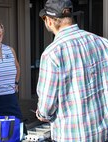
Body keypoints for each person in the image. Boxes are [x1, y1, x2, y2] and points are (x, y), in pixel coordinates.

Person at [36, 0, 108, 141]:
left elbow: (46, 106)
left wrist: (42, 114)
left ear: (49, 21)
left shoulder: (52, 54)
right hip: (103, 133)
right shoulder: (102, 43)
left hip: (71, 135)